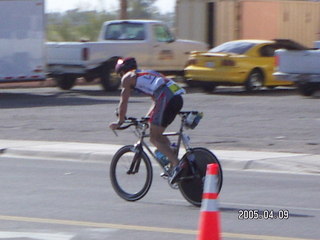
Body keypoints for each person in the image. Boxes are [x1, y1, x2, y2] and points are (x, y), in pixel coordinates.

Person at [109, 57, 185, 184]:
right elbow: (156, 100)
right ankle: (175, 157)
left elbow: (124, 101)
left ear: (122, 71)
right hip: (176, 97)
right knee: (158, 133)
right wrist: (147, 117)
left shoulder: (127, 77)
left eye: (120, 74)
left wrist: (120, 121)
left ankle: (177, 164)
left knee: (153, 138)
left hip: (165, 97)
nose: (121, 77)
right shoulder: (146, 73)